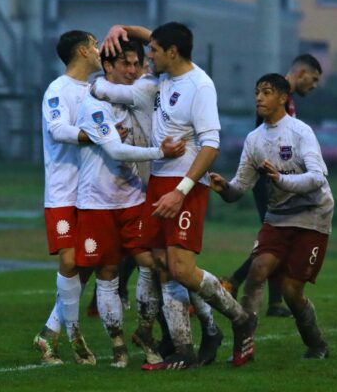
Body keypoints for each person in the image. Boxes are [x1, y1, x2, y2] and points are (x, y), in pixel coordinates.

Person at [99, 22, 256, 369]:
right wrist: (120, 29)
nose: (147, 56)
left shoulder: (200, 85)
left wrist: (181, 191)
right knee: (163, 268)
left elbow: (211, 145)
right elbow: (151, 35)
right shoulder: (163, 78)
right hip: (158, 180)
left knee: (182, 270)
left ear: (172, 52)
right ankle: (184, 349)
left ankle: (241, 317)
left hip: (185, 186)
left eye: (153, 51)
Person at [75, 38, 186, 367]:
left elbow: (170, 51)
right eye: (126, 63)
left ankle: (144, 331)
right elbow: (116, 151)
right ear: (108, 66)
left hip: (134, 197)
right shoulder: (94, 103)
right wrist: (159, 153)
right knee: (107, 273)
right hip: (98, 201)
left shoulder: (139, 98)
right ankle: (118, 346)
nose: (134, 69)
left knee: (151, 263)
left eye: (138, 63)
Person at [209, 73, 334, 360]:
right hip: (278, 216)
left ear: (282, 98)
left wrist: (281, 180)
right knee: (257, 271)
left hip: (313, 215)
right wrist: (224, 189)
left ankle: (317, 345)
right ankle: (244, 344)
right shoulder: (254, 139)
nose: (259, 98)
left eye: (266, 92)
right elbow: (240, 187)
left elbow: (317, 178)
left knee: (291, 291)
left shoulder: (300, 132)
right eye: (257, 92)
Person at [220, 55, 323, 318]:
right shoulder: (275, 99)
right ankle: (232, 282)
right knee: (273, 241)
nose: (314, 86)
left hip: (280, 181)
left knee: (276, 241)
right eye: (313, 79)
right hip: (269, 182)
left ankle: (273, 302)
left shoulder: (287, 104)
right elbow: (265, 142)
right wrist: (273, 178)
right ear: (301, 73)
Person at [32, 30, 102, 366]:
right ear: (82, 50)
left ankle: (50, 333)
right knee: (71, 261)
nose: (101, 50)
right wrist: (93, 136)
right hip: (62, 192)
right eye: (96, 45)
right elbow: (58, 130)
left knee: (87, 262)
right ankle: (68, 334)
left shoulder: (96, 90)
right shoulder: (57, 90)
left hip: (92, 193)